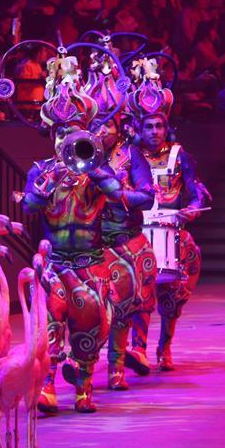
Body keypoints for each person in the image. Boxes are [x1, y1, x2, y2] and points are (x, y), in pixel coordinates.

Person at [24, 60, 122, 413]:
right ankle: (47, 385)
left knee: (89, 329)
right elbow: (30, 206)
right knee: (50, 324)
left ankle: (84, 390)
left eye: (73, 133)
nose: (65, 140)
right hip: (54, 264)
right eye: (60, 133)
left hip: (89, 264)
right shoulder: (41, 170)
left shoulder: (97, 171)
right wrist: (49, 182)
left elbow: (117, 194)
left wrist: (93, 169)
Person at [129, 65, 209, 372]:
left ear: (166, 127)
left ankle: (164, 346)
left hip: (172, 229)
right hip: (138, 233)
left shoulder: (179, 155)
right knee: (140, 291)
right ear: (140, 128)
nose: (154, 132)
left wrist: (193, 208)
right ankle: (137, 349)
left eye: (159, 126)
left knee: (173, 296)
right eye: (148, 126)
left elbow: (197, 192)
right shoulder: (129, 156)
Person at [87, 62, 156, 390]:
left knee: (122, 305)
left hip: (124, 240)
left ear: (120, 126)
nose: (101, 131)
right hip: (88, 243)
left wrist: (118, 194)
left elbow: (148, 197)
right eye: (95, 125)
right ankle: (77, 365)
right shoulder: (80, 155)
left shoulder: (131, 154)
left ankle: (117, 367)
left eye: (108, 124)